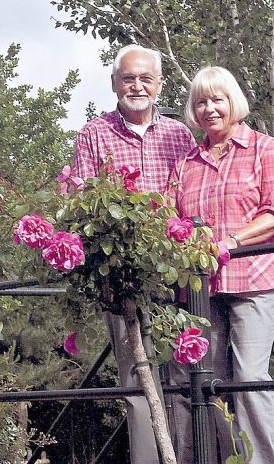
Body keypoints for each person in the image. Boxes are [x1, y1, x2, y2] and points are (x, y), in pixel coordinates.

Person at [71, 44, 197, 464]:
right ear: (114, 84)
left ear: (160, 85)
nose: (137, 86)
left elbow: (192, 200)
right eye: (128, 78)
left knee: (185, 371)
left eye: (146, 78)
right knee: (136, 378)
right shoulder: (94, 134)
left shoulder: (180, 134)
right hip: (121, 276)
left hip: (175, 273)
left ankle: (188, 458)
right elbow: (79, 201)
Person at [171, 66, 274, 464]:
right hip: (203, 287)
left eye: (217, 99)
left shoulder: (264, 148)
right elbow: (173, 221)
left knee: (250, 377)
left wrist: (231, 241)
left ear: (233, 102)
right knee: (211, 384)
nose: (209, 108)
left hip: (255, 277)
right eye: (201, 102)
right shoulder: (186, 162)